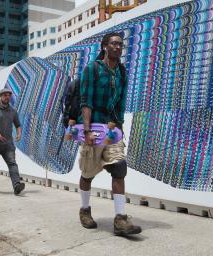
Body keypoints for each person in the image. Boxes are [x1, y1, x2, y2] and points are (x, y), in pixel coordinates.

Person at [77, 32, 141, 236]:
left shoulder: (122, 72)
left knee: (119, 167)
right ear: (105, 46)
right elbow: (85, 101)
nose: (117, 47)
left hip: (113, 129)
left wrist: (120, 128)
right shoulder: (92, 69)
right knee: (87, 174)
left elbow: (121, 103)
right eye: (113, 43)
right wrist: (86, 130)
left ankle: (120, 219)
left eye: (120, 44)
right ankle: (85, 210)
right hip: (94, 128)